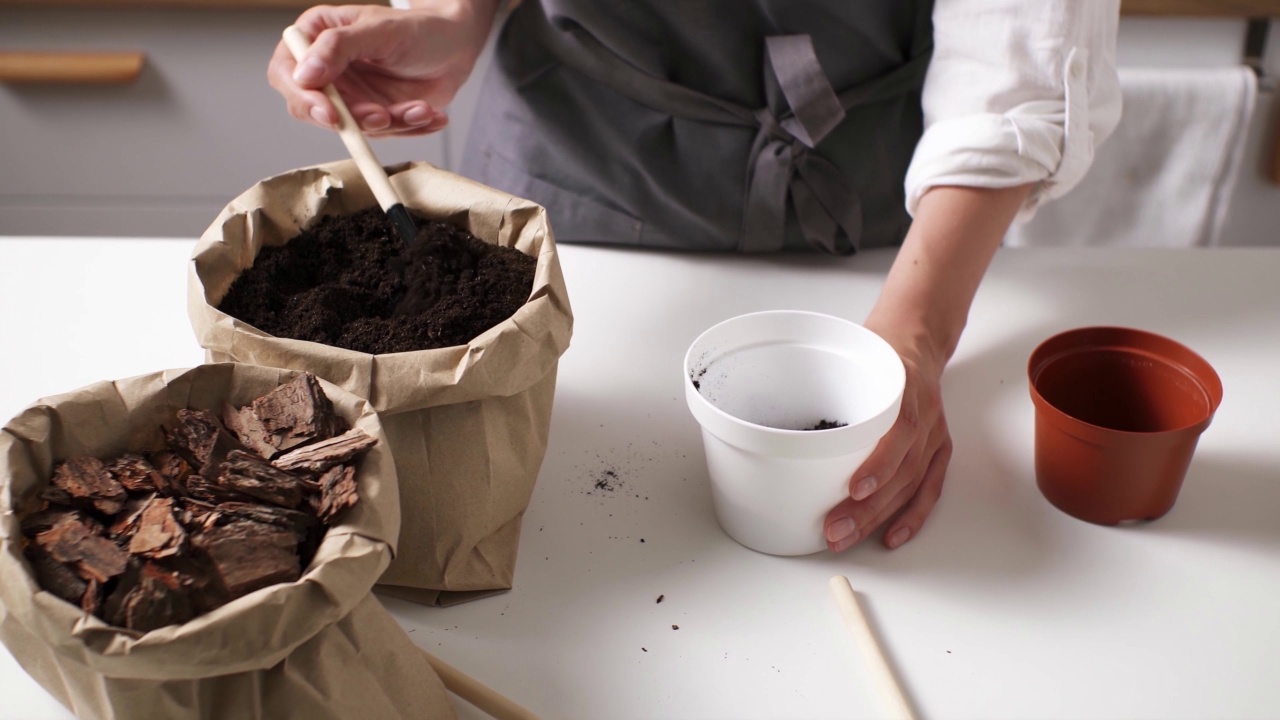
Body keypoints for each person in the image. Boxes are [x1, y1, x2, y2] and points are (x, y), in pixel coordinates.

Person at [268, 0, 1121, 553]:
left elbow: (1020, 55)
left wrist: (920, 339)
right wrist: (452, 16)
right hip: (582, 156)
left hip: (888, 202)